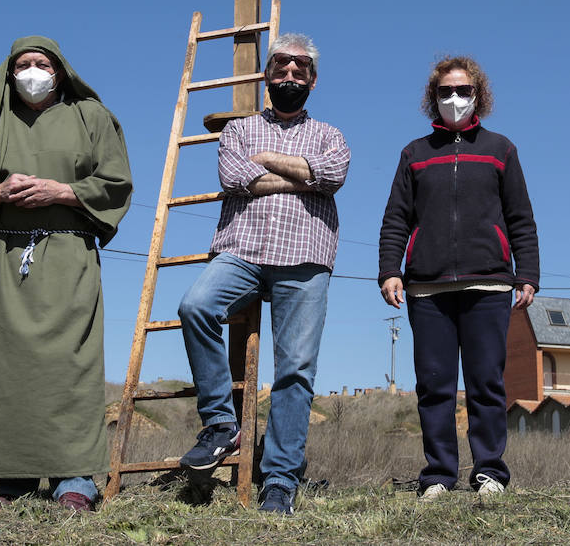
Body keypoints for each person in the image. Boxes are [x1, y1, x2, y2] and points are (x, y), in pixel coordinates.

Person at [0, 37, 132, 513]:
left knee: (69, 366)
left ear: (60, 71)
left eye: (42, 63)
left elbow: (116, 185)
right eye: (23, 65)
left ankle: (76, 478)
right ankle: (13, 479)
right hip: (0, 260)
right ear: (9, 74)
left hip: (67, 254)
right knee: (2, 368)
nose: (32, 72)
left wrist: (60, 191)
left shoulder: (92, 116)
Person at [177, 33, 351, 515]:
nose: (290, 76)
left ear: (312, 81)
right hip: (243, 250)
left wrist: (270, 164)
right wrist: (302, 176)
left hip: (305, 256)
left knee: (295, 369)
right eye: (281, 68)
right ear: (267, 75)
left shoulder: (330, 135)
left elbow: (331, 175)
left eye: (300, 70)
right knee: (195, 306)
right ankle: (220, 425)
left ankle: (280, 479)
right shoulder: (238, 131)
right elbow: (235, 178)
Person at [377, 56, 540, 504]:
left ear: (478, 95)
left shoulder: (500, 149)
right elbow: (395, 219)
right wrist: (390, 270)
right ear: (433, 97)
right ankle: (438, 475)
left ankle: (490, 473)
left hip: (488, 285)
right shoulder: (414, 153)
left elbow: (521, 218)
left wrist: (527, 273)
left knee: (487, 381)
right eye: (446, 91)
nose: (455, 98)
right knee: (434, 385)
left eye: (463, 90)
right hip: (426, 289)